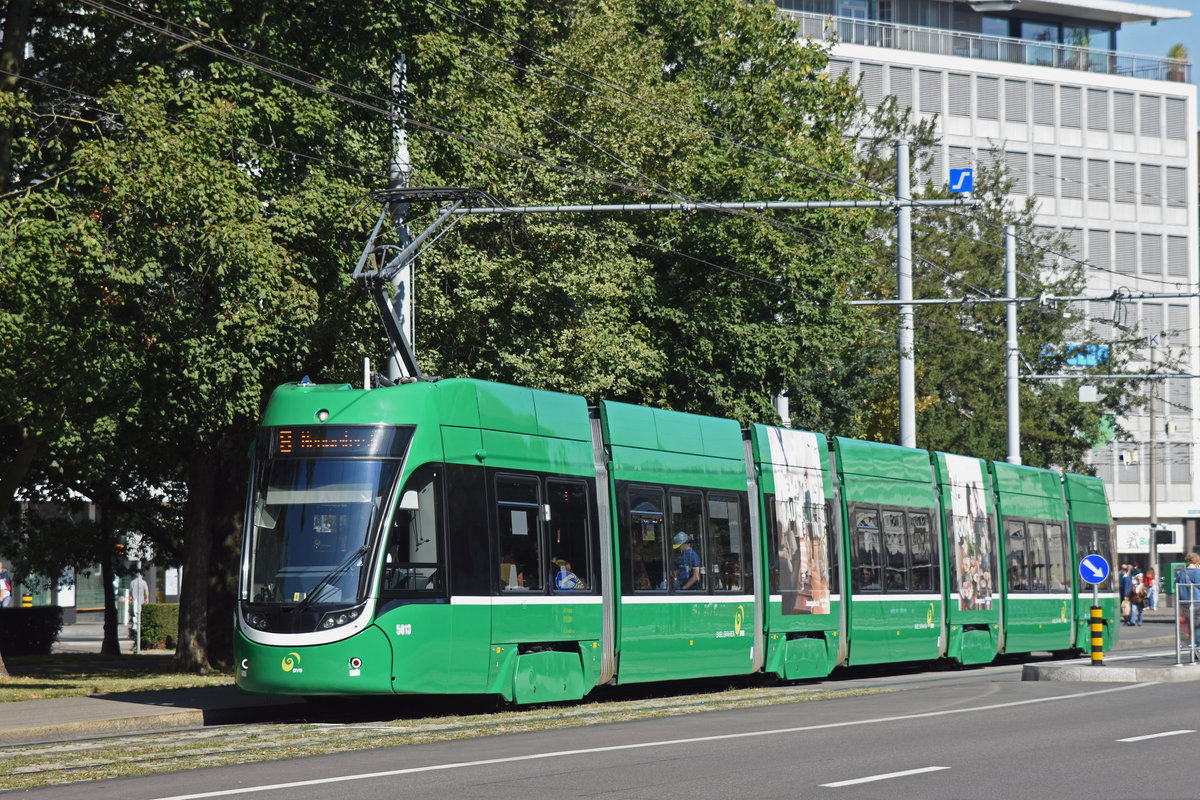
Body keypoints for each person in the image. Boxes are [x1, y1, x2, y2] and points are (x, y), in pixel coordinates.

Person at [1175, 553, 1200, 641]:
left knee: (1191, 627)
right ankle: (1197, 649)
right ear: (1196, 562)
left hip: (1185, 605)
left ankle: (1193, 645)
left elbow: (1177, 588)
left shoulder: (1181, 574)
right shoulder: (1198, 572)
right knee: (1197, 627)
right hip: (1197, 603)